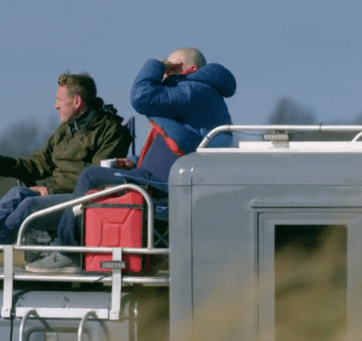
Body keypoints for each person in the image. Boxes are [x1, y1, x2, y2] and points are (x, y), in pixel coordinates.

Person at [25, 47, 236, 273]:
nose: (165, 75)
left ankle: (67, 251)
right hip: (160, 177)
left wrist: (157, 64)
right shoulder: (201, 93)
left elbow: (140, 96)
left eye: (172, 69)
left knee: (91, 176)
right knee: (96, 177)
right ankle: (74, 245)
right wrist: (134, 162)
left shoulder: (194, 90)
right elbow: (177, 143)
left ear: (190, 70)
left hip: (163, 185)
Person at [0, 72, 132, 270]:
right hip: (60, 196)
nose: (55, 106)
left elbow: (97, 179)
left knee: (30, 204)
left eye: (59, 100)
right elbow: (37, 164)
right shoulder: (64, 131)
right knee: (17, 193)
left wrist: (52, 191)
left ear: (77, 101)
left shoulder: (111, 131)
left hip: (81, 203)